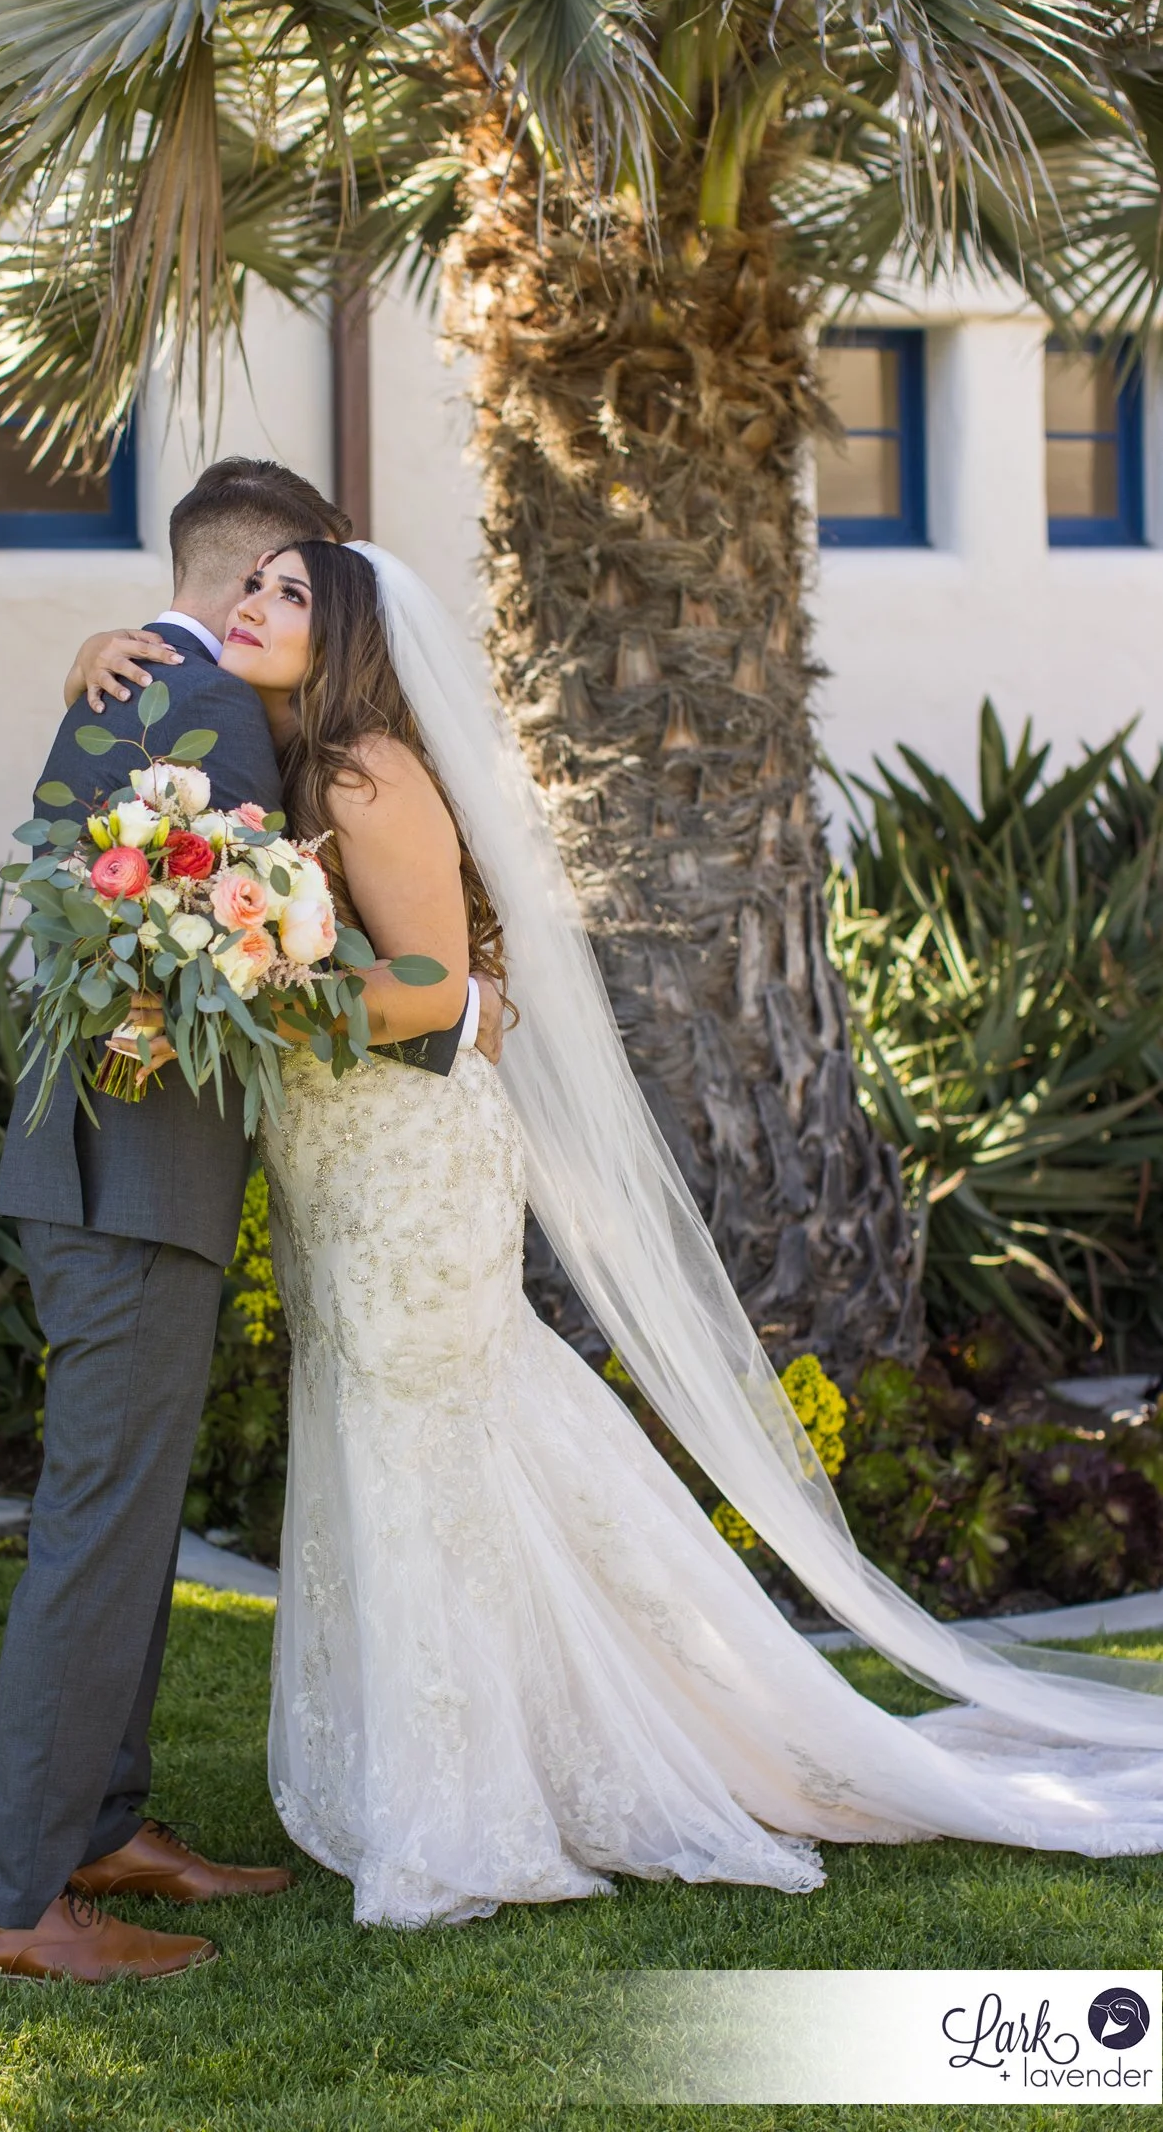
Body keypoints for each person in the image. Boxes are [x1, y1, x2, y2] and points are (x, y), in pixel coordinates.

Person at [198, 535, 1163, 1928]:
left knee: (429, 1449)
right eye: (252, 586)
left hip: (411, 1169)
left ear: (346, 633)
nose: (254, 605)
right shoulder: (291, 769)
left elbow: (434, 986)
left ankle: (469, 1806)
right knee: (426, 1440)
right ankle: (513, 1749)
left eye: (291, 593)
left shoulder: (364, 772)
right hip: (342, 1163)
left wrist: (243, 990)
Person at [0, 460, 499, 1988]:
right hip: (129, 1183)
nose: (282, 604)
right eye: (283, 577)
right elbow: (193, 942)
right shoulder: (190, 699)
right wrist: (445, 1013)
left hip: (129, 1180)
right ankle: (6, 1905)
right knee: (98, 1533)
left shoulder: (155, 687)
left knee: (127, 1524)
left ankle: (103, 1827)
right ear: (249, 569)